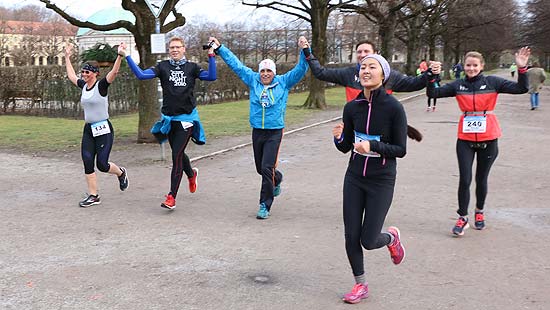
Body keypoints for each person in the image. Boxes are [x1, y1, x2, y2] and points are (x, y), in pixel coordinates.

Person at [427, 47, 530, 236]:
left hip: (489, 138)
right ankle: (462, 217)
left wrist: (522, 69)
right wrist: (431, 76)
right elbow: (433, 93)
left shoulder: (492, 82)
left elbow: (521, 88)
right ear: (464, 66)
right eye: (468, 65)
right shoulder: (458, 85)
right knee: (464, 179)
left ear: (481, 66)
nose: (471, 68)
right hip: (465, 139)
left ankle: (479, 212)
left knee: (481, 179)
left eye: (475, 65)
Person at [332, 54, 406, 304]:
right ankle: (360, 285)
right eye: (362, 67)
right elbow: (346, 147)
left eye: (372, 67)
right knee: (351, 236)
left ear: (383, 74)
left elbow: (400, 149)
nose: (366, 70)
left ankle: (391, 238)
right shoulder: (351, 107)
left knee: (369, 239)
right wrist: (339, 139)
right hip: (354, 177)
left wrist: (373, 145)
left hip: (381, 180)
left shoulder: (394, 107)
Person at [210, 36, 308, 220]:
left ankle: (265, 205)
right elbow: (236, 65)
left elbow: (301, 69)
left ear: (274, 73)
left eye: (268, 71)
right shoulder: (252, 79)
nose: (265, 74)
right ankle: (277, 179)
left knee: (266, 167)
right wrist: (220, 48)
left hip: (274, 131)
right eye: (262, 70)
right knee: (261, 168)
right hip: (257, 131)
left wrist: (304, 50)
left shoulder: (283, 82)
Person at [119, 37, 216, 210]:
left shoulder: (192, 67)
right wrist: (126, 55)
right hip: (169, 119)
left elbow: (212, 76)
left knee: (176, 155)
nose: (175, 50)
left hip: (187, 119)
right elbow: (142, 75)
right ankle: (191, 173)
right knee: (178, 153)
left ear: (184, 49)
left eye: (178, 47)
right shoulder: (162, 66)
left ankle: (172, 196)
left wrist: (211, 56)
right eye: (172, 47)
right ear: (168, 49)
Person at [300, 38, 441, 141]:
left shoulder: (389, 75)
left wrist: (430, 73)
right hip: (358, 126)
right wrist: (307, 52)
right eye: (359, 52)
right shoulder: (348, 74)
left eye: (366, 51)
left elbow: (413, 84)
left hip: (382, 129)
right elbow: (321, 72)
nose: (362, 54)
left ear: (376, 53)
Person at [64, 43, 129, 208]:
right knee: (87, 161)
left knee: (102, 164)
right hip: (89, 129)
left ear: (95, 74)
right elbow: (71, 76)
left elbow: (113, 73)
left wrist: (120, 56)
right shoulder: (84, 86)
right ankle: (94, 196)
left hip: (103, 129)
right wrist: (66, 57)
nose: (84, 74)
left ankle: (121, 173)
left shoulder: (101, 86)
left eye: (87, 72)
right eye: (83, 72)